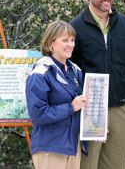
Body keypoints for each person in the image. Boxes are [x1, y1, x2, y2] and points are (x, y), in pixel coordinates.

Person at [70, 0, 125, 169]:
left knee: (116, 165)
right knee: (87, 165)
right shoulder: (75, 27)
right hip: (90, 111)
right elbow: (69, 70)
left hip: (121, 109)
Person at [26, 20, 88, 169]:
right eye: (65, 40)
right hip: (50, 147)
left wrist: (95, 128)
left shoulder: (75, 70)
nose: (70, 44)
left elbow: (82, 107)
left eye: (72, 40)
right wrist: (70, 108)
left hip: (73, 146)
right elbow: (37, 113)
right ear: (50, 43)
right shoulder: (40, 72)